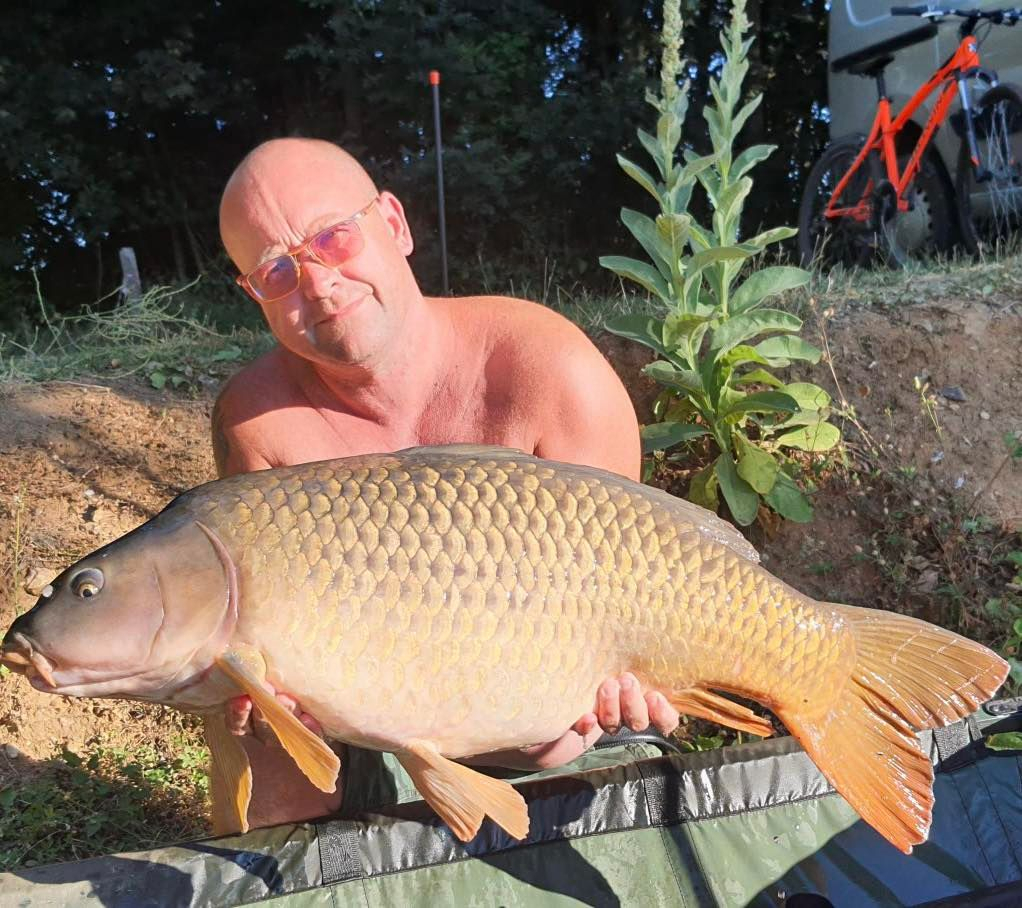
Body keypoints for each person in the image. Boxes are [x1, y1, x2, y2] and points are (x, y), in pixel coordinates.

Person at [213, 137, 680, 828]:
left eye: (333, 238)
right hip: (376, 723)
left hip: (570, 727)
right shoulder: (259, 423)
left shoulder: (551, 371)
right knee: (257, 733)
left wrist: (621, 689)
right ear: (254, 295)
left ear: (394, 224)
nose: (317, 283)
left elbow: (629, 600)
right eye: (276, 271)